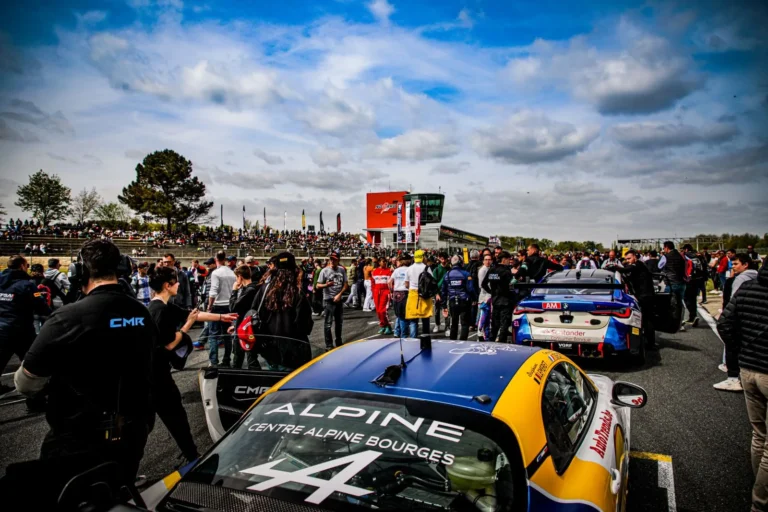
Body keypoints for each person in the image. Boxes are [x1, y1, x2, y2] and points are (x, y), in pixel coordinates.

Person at [10, 241, 154, 505]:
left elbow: (26, 384)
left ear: (78, 273)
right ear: (122, 268)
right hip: (133, 430)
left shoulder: (67, 317)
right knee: (116, 495)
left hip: (78, 435)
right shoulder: (142, 312)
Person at [148, 266, 236, 462]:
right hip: (158, 375)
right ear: (167, 285)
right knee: (175, 418)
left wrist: (222, 317)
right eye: (176, 281)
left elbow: (194, 314)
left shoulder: (159, 306)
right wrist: (187, 326)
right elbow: (170, 344)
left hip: (153, 374)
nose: (179, 284)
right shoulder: (160, 310)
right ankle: (193, 457)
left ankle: (191, 454)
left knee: (162, 420)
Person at [717, 260, 768, 509]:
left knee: (759, 435)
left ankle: (758, 486)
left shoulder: (747, 288)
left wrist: (738, 355)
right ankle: (760, 503)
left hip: (749, 370)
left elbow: (724, 324)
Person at [249, 252, 313, 370]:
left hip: (270, 348)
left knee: (274, 382)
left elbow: (255, 311)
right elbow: (305, 326)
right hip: (293, 351)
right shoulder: (298, 293)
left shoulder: (265, 289)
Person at [0, 256, 51, 395]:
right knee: (34, 364)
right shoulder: (26, 284)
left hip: (2, 327)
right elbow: (42, 307)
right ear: (22, 266)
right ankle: (35, 398)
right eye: (27, 265)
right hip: (22, 330)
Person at [715, 253, 759, 392]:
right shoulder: (756, 276)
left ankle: (733, 377)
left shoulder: (741, 279)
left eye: (735, 264)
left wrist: (726, 315)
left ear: (745, 265)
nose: (733, 267)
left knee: (731, 344)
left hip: (738, 317)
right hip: (752, 318)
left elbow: (735, 300)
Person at [608, 250, 656, 349]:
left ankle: (650, 343)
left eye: (629, 258)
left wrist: (615, 267)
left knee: (647, 320)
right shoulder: (635, 266)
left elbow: (628, 269)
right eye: (626, 259)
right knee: (644, 319)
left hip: (646, 296)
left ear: (635, 257)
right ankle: (647, 341)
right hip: (642, 295)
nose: (628, 261)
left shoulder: (639, 265)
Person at [228, 265, 261, 370]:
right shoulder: (257, 287)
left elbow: (233, 307)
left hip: (245, 327)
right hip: (249, 325)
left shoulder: (249, 290)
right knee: (249, 356)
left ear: (240, 277)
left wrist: (234, 290)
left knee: (244, 357)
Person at [208, 251, 237, 367]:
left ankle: (214, 361)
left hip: (217, 305)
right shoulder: (232, 272)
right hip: (228, 305)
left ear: (216, 259)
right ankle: (226, 360)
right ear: (225, 259)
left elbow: (213, 291)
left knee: (213, 334)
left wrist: (209, 306)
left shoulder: (216, 273)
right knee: (227, 334)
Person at [317, 250, 349, 351]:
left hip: (338, 299)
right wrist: (326, 285)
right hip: (328, 300)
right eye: (331, 259)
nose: (332, 261)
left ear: (338, 260)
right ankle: (329, 344)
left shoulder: (341, 270)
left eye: (334, 260)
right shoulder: (324, 271)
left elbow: (346, 284)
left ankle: (339, 341)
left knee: (339, 322)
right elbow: (318, 285)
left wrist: (339, 294)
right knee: (328, 323)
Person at [440, 255, 475, 340]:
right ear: (460, 263)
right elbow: (470, 289)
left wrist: (444, 305)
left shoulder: (447, 275)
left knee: (454, 323)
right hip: (464, 301)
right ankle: (463, 342)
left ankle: (453, 342)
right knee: (464, 323)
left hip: (452, 301)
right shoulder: (466, 274)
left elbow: (443, 291)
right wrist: (474, 298)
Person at [482, 250, 514, 343]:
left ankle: (491, 343)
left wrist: (492, 293)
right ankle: (501, 344)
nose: (509, 261)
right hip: (505, 301)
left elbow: (484, 284)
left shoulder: (492, 269)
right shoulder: (506, 271)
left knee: (495, 325)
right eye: (508, 259)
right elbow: (511, 286)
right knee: (504, 325)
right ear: (504, 259)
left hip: (495, 301)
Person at [404, 249, 434, 337]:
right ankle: (426, 339)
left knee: (413, 320)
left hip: (413, 294)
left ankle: (413, 339)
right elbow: (432, 281)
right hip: (425, 294)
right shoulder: (427, 268)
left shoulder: (409, 269)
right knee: (425, 318)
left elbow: (406, 284)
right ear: (423, 257)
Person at [660, 241, 687, 331]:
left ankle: (672, 322)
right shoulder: (681, 256)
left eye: (664, 248)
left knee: (670, 304)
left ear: (666, 248)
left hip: (671, 282)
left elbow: (659, 266)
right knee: (680, 302)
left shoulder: (665, 257)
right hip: (681, 282)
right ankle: (681, 321)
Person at [681, 244, 704, 328]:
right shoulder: (698, 255)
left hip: (688, 279)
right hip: (698, 279)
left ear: (686, 249)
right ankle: (692, 316)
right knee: (693, 298)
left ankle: (693, 316)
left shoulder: (686, 256)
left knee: (686, 298)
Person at [389, 254, 410, 337]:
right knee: (404, 315)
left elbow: (389, 282)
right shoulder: (409, 269)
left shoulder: (396, 270)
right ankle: (403, 334)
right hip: (405, 292)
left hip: (396, 292)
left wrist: (391, 292)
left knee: (398, 314)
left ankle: (397, 332)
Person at [371, 257, 393, 334]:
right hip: (376, 292)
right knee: (378, 311)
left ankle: (388, 326)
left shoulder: (388, 271)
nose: (384, 263)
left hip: (385, 291)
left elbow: (391, 283)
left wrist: (390, 292)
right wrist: (373, 292)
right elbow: (373, 283)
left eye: (385, 262)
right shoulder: (375, 271)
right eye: (383, 261)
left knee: (383, 310)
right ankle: (383, 326)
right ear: (379, 262)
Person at [431, 253, 450, 335]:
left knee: (446, 310)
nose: (443, 260)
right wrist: (436, 294)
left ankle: (447, 327)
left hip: (447, 293)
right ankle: (437, 324)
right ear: (439, 259)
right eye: (441, 259)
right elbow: (434, 284)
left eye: (444, 259)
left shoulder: (450, 269)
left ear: (447, 259)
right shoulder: (436, 270)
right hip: (438, 293)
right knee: (437, 311)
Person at [476, 252, 493, 341]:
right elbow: (482, 285)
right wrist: (490, 293)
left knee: (487, 319)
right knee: (483, 317)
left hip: (488, 296)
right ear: (483, 261)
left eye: (489, 260)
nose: (487, 261)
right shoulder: (483, 270)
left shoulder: (490, 269)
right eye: (486, 260)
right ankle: (480, 334)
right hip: (484, 297)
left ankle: (486, 336)